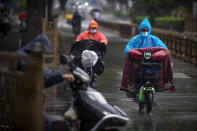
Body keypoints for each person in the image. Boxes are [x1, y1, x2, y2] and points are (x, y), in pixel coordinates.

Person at [16, 34, 74, 131]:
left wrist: (58, 75)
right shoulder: (25, 58)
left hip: (22, 100)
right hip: (23, 104)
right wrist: (61, 76)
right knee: (47, 124)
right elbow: (42, 76)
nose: (42, 55)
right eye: (42, 51)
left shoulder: (24, 55)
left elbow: (43, 71)